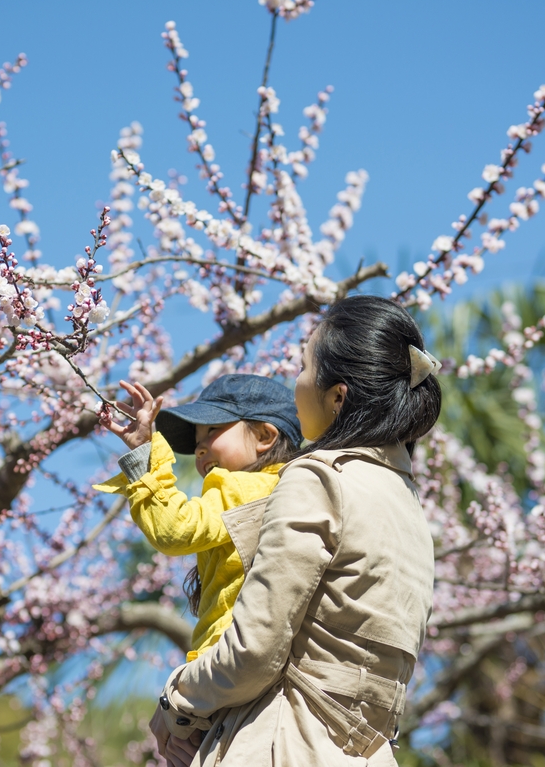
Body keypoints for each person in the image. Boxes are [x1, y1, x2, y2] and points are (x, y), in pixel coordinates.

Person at [151, 295, 443, 766]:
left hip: (281, 743)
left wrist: (175, 701)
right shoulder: (410, 508)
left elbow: (253, 651)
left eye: (304, 367)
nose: (296, 382)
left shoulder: (319, 477)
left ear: (337, 396)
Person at [95, 373, 304, 662]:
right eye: (196, 442)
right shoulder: (292, 491)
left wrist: (145, 457)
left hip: (228, 655)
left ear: (265, 436)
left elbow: (175, 530)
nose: (199, 448)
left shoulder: (245, 487)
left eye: (213, 430)